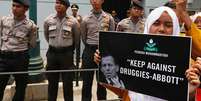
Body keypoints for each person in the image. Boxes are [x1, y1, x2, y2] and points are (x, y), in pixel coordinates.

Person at [94, 6, 201, 101]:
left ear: (176, 28)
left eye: (168, 25)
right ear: (148, 25)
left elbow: (186, 95)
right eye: (156, 23)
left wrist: (189, 92)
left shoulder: (188, 65)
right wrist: (104, 66)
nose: (161, 29)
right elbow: (123, 90)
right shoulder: (133, 54)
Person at [0, 0, 37, 100]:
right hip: (4, 57)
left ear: (26, 9)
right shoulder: (4, 20)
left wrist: (20, 51)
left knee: (21, 87)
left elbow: (32, 43)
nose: (14, 8)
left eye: (18, 6)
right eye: (13, 5)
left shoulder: (30, 26)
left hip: (20, 58)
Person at [43, 0, 80, 101]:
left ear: (67, 6)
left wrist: (68, 49)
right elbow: (46, 36)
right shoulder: (48, 20)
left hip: (66, 55)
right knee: (52, 83)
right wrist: (55, 45)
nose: (58, 5)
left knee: (68, 83)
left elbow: (76, 40)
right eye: (57, 2)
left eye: (61, 3)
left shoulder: (73, 22)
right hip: (52, 54)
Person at [80, 0, 115, 100]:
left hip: (103, 52)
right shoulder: (85, 19)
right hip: (89, 50)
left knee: (102, 83)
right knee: (86, 82)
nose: (95, 1)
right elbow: (83, 37)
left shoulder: (109, 18)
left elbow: (111, 36)